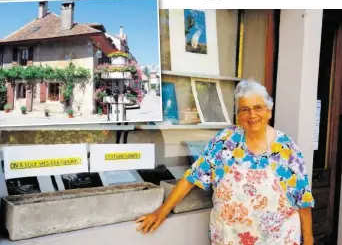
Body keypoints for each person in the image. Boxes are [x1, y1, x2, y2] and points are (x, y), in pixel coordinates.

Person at [135, 80, 314, 245]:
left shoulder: (285, 148)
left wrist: (308, 239)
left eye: (258, 107)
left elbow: (303, 198)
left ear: (269, 110)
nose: (252, 115)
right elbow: (192, 177)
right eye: (245, 109)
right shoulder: (225, 141)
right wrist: (163, 211)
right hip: (230, 237)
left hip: (278, 239)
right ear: (238, 115)